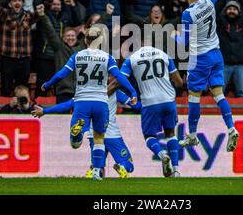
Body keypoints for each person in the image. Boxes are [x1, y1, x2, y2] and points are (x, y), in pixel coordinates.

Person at [40, 26, 138, 181]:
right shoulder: (107, 57)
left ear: (85, 40)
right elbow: (119, 77)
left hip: (82, 100)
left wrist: (48, 83)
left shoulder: (77, 56)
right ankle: (98, 172)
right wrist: (132, 91)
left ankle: (77, 135)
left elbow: (62, 74)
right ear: (100, 41)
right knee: (99, 137)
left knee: (75, 144)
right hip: (100, 102)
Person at [172, 0, 239, 152]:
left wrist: (174, 36)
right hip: (216, 54)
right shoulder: (209, 0)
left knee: (194, 96)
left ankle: (192, 136)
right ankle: (231, 127)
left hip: (199, 58)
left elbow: (184, 43)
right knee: (218, 94)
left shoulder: (188, 14)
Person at [32, 86, 141, 179]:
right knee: (129, 165)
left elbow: (66, 105)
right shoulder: (116, 92)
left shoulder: (84, 93)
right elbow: (135, 105)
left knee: (98, 167)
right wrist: (149, 107)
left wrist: (45, 111)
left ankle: (91, 167)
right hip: (112, 135)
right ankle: (122, 166)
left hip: (93, 135)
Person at [120, 35, 183, 177]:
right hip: (168, 100)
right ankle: (176, 170)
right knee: (170, 133)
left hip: (150, 102)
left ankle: (162, 154)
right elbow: (179, 82)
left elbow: (121, 80)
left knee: (149, 136)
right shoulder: (164, 55)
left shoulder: (132, 58)